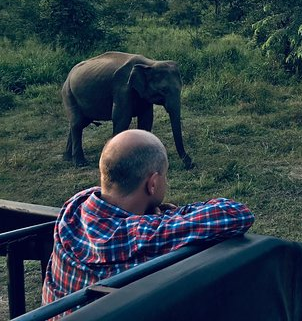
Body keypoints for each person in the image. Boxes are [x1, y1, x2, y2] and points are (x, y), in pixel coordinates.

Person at [42, 129, 255, 306]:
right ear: (152, 184)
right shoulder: (146, 233)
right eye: (165, 176)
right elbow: (235, 213)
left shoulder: (73, 207)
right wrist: (172, 214)